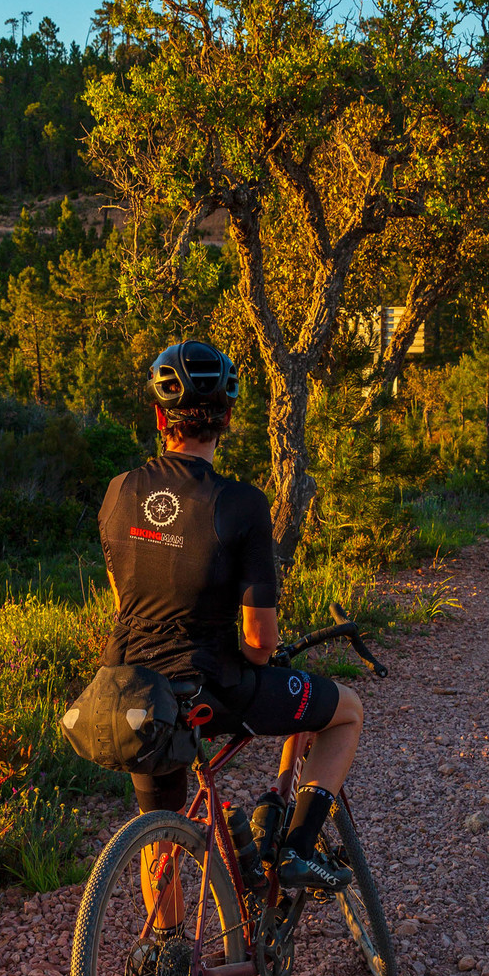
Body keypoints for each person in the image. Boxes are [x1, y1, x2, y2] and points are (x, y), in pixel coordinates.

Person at [97, 338, 364, 898]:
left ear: (160, 418)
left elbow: (123, 601)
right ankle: (296, 848)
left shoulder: (118, 492)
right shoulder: (241, 503)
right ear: (227, 420)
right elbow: (260, 641)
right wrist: (249, 656)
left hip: (132, 690)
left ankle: (166, 946)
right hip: (210, 688)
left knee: (158, 833)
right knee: (346, 712)